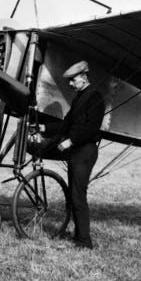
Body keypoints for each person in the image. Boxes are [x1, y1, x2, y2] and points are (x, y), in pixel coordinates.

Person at [40, 61, 105, 249]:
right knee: (74, 194)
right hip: (77, 151)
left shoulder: (95, 98)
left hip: (85, 150)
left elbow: (91, 128)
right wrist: (45, 127)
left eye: (72, 80)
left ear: (84, 78)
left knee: (78, 195)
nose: (70, 84)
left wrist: (71, 141)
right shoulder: (79, 99)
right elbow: (65, 125)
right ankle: (78, 235)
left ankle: (85, 241)